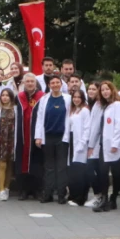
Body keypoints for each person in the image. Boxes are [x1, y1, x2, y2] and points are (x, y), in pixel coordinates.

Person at [35, 76, 73, 204]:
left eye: (58, 82)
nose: (55, 85)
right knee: (49, 167)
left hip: (62, 137)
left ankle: (62, 194)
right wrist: (38, 137)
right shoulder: (44, 99)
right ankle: (48, 193)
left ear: (61, 84)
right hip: (48, 136)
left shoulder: (68, 99)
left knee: (62, 167)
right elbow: (40, 118)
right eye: (53, 83)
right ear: (49, 85)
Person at [94, 82, 120, 212]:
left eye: (107, 89)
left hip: (115, 146)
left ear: (112, 90)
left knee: (116, 174)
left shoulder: (118, 105)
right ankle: (104, 198)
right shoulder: (105, 106)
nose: (105, 92)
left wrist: (115, 144)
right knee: (103, 173)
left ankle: (113, 199)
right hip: (104, 144)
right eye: (102, 90)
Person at [0, 87, 22, 201]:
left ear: (11, 97)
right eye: (3, 95)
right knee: (2, 165)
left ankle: (7, 188)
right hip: (1, 140)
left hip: (12, 139)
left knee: (10, 165)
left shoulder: (16, 109)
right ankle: (1, 190)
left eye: (7, 95)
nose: (5, 97)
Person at [16, 73, 45, 200]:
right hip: (21, 134)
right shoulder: (19, 97)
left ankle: (37, 190)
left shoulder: (42, 97)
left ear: (35, 83)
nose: (29, 84)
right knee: (22, 162)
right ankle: (24, 190)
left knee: (36, 163)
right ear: (24, 83)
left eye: (32, 81)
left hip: (36, 134)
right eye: (27, 81)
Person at [65, 89, 91, 206]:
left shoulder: (85, 111)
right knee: (73, 171)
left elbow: (87, 129)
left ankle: (80, 198)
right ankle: (73, 195)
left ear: (82, 98)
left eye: (78, 97)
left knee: (80, 172)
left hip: (80, 143)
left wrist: (82, 144)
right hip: (72, 141)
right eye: (74, 97)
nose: (76, 99)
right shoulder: (74, 110)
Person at [85, 83, 108, 209]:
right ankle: (98, 195)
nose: (92, 91)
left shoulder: (104, 105)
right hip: (93, 143)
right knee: (91, 170)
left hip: (98, 144)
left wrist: (91, 145)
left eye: (95, 89)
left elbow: (97, 128)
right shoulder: (95, 104)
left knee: (97, 171)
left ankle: (101, 196)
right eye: (90, 89)